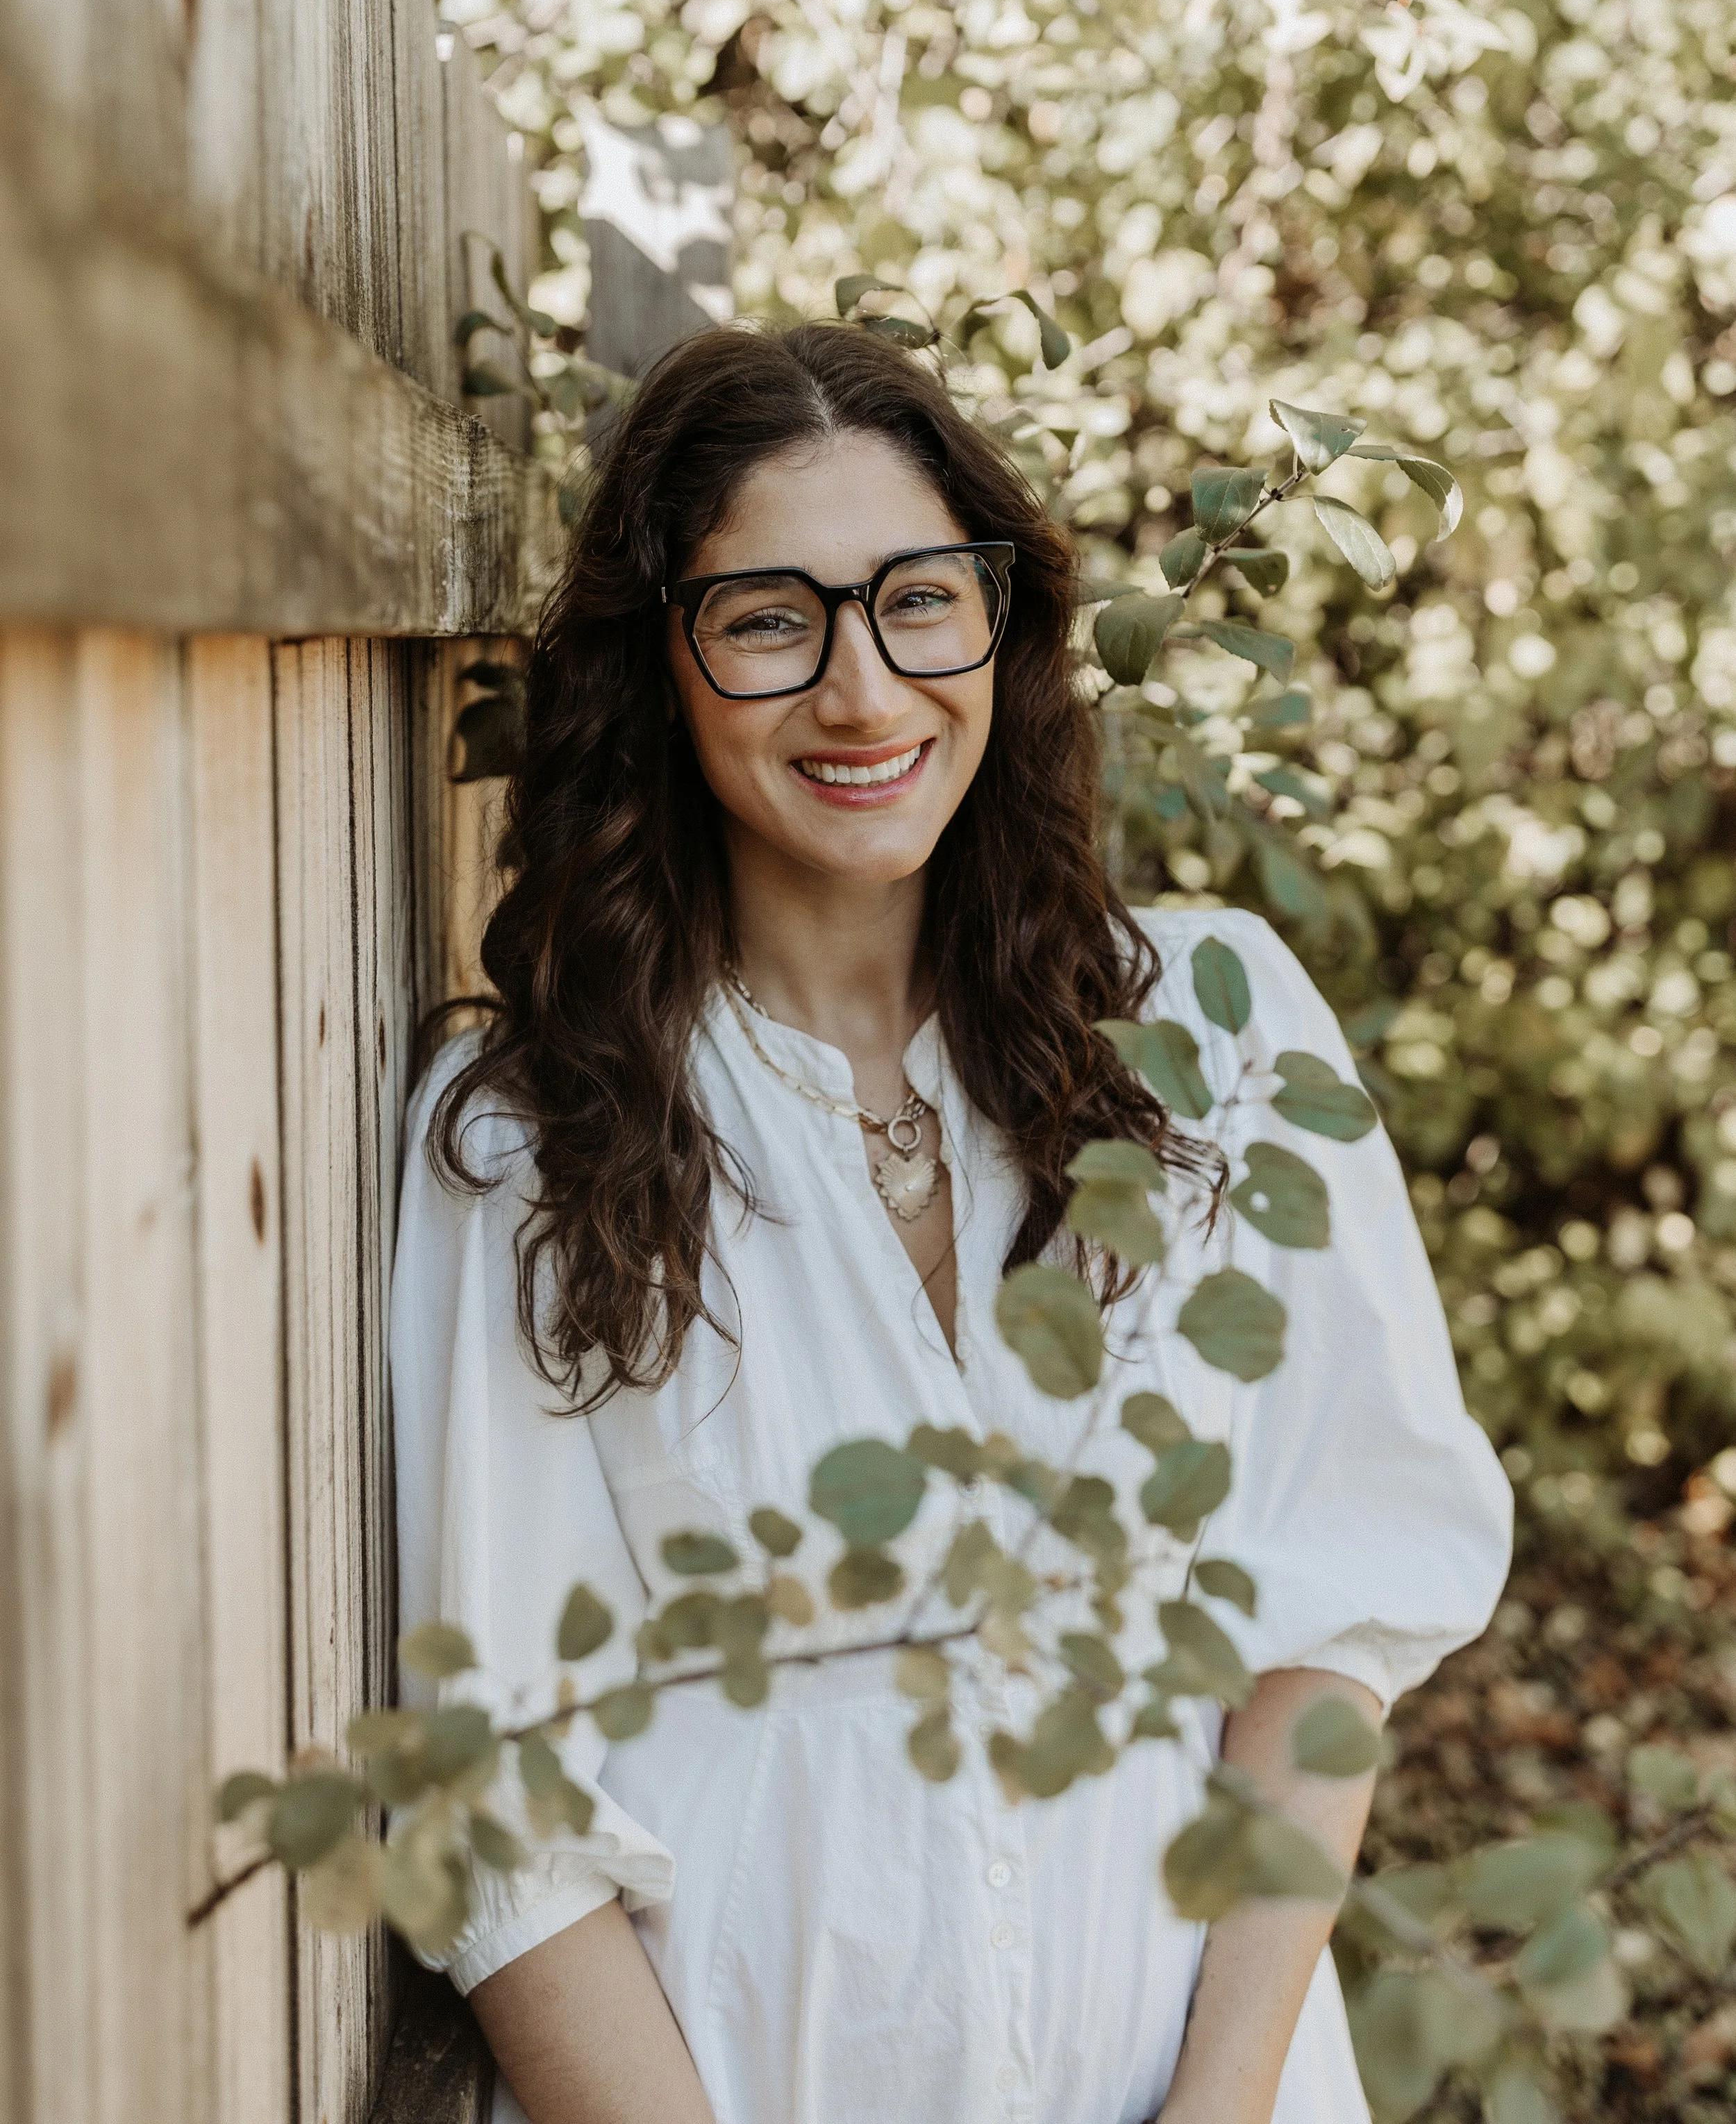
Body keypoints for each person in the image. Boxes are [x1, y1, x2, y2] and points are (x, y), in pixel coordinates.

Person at [391, 321, 1512, 2124]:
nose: (862, 690)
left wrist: (1216, 2109)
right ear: (659, 661)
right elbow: (493, 1805)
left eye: (921, 598)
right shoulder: (535, 1133)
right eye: (770, 616)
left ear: (1001, 626)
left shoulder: (1211, 1036)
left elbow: (1328, 1618)